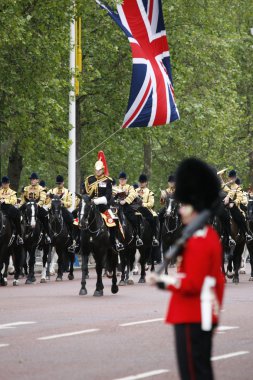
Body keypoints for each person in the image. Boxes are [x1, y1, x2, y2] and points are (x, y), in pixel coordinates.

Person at [150, 157, 225, 380]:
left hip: (192, 314)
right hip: (199, 313)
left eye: (183, 205)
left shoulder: (200, 239)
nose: (180, 210)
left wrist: (162, 281)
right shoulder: (203, 235)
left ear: (194, 206)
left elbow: (192, 283)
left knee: (193, 373)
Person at [84, 158, 124, 251]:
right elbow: (86, 193)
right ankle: (76, 242)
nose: (97, 172)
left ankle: (115, 242)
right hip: (90, 205)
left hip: (102, 205)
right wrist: (88, 200)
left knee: (113, 221)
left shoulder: (107, 181)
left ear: (103, 170)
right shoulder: (89, 179)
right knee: (77, 219)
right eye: (96, 170)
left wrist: (97, 201)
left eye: (99, 170)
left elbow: (108, 195)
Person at [47, 175, 77, 252]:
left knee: (71, 220)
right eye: (57, 183)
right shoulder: (52, 191)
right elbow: (46, 200)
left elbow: (69, 203)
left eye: (60, 183)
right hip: (53, 210)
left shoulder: (67, 191)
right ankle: (45, 237)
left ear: (63, 183)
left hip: (63, 209)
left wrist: (61, 202)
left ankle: (72, 239)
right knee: (44, 219)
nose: (59, 185)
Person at [113, 172, 143, 247]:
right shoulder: (116, 188)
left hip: (127, 206)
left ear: (126, 180)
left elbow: (133, 194)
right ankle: (113, 239)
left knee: (133, 219)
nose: (122, 181)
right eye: (120, 179)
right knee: (111, 221)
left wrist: (125, 200)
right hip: (117, 207)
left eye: (123, 179)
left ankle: (137, 237)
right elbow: (112, 196)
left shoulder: (130, 187)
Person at [20, 172, 51, 244]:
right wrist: (20, 206)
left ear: (37, 180)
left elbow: (42, 199)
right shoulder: (26, 188)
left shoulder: (41, 189)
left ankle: (47, 234)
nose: (32, 181)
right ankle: (18, 235)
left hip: (37, 206)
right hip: (27, 206)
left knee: (46, 216)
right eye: (31, 179)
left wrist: (37, 204)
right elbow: (23, 200)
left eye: (34, 179)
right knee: (17, 214)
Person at [223, 170, 252, 241]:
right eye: (230, 178)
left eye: (232, 178)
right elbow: (223, 187)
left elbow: (239, 198)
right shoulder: (228, 186)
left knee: (238, 216)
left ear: (235, 178)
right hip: (225, 205)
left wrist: (234, 202)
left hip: (235, 206)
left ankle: (246, 233)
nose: (230, 179)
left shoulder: (238, 188)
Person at [135, 174, 159, 246]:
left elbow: (151, 203)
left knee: (153, 219)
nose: (141, 183)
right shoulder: (135, 191)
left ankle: (154, 237)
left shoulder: (150, 192)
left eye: (143, 182)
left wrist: (143, 204)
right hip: (136, 209)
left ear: (146, 183)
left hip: (146, 209)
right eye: (140, 182)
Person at [0, 176, 23, 244]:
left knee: (17, 214)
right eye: (3, 183)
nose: (5, 185)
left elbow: (13, 200)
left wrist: (5, 200)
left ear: (9, 183)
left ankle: (19, 235)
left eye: (6, 183)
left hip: (8, 207)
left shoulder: (12, 192)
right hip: (0, 207)